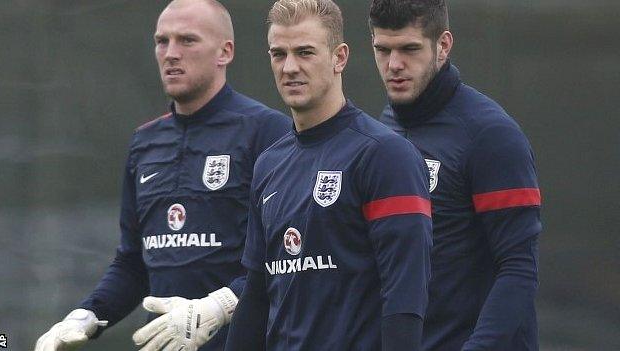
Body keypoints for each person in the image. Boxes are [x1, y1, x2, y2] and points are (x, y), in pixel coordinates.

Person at [33, 1, 291, 350]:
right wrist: (88, 315)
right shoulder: (145, 142)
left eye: (187, 40)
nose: (170, 53)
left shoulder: (266, 131)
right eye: (161, 41)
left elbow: (289, 257)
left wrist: (222, 305)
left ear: (225, 52)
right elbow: (134, 263)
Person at [224, 1, 433, 350]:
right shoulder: (268, 165)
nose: (289, 67)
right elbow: (258, 296)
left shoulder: (385, 155)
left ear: (339, 57)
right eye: (279, 54)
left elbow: (404, 299)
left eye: (305, 52)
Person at [368, 1, 542, 350]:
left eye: (409, 49)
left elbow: (519, 267)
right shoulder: (383, 129)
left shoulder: (490, 134)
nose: (394, 65)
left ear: (443, 46)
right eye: (382, 49)